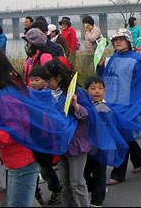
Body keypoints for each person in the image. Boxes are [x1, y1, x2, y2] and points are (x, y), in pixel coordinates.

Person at [0, 43, 66, 207]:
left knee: (17, 203)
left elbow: (14, 132)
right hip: (22, 157)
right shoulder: (13, 86)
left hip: (22, 160)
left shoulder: (6, 96)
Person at [101, 29, 141, 186]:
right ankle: (139, 159)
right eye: (115, 40)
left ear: (129, 41)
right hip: (113, 102)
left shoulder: (138, 59)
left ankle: (118, 173)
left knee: (120, 136)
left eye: (121, 39)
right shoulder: (113, 58)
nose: (117, 42)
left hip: (129, 104)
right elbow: (106, 78)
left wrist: (140, 103)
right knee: (124, 134)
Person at [43, 59, 90, 207]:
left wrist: (76, 106)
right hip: (60, 144)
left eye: (49, 79)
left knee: (77, 182)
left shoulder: (76, 92)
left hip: (76, 143)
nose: (47, 83)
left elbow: (87, 115)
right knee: (64, 182)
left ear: (59, 77)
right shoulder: (47, 94)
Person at [28, 65, 63, 206]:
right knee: (33, 167)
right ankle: (35, 194)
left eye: (37, 79)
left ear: (45, 81)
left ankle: (56, 189)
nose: (33, 83)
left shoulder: (50, 96)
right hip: (31, 137)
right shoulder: (27, 94)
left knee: (44, 167)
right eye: (31, 80)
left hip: (45, 138)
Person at [83, 76, 109, 208]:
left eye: (100, 88)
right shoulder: (85, 106)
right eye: (93, 88)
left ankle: (97, 201)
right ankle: (96, 189)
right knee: (84, 173)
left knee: (99, 173)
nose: (97, 91)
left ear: (105, 90)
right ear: (86, 91)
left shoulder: (106, 108)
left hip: (101, 147)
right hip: (88, 147)